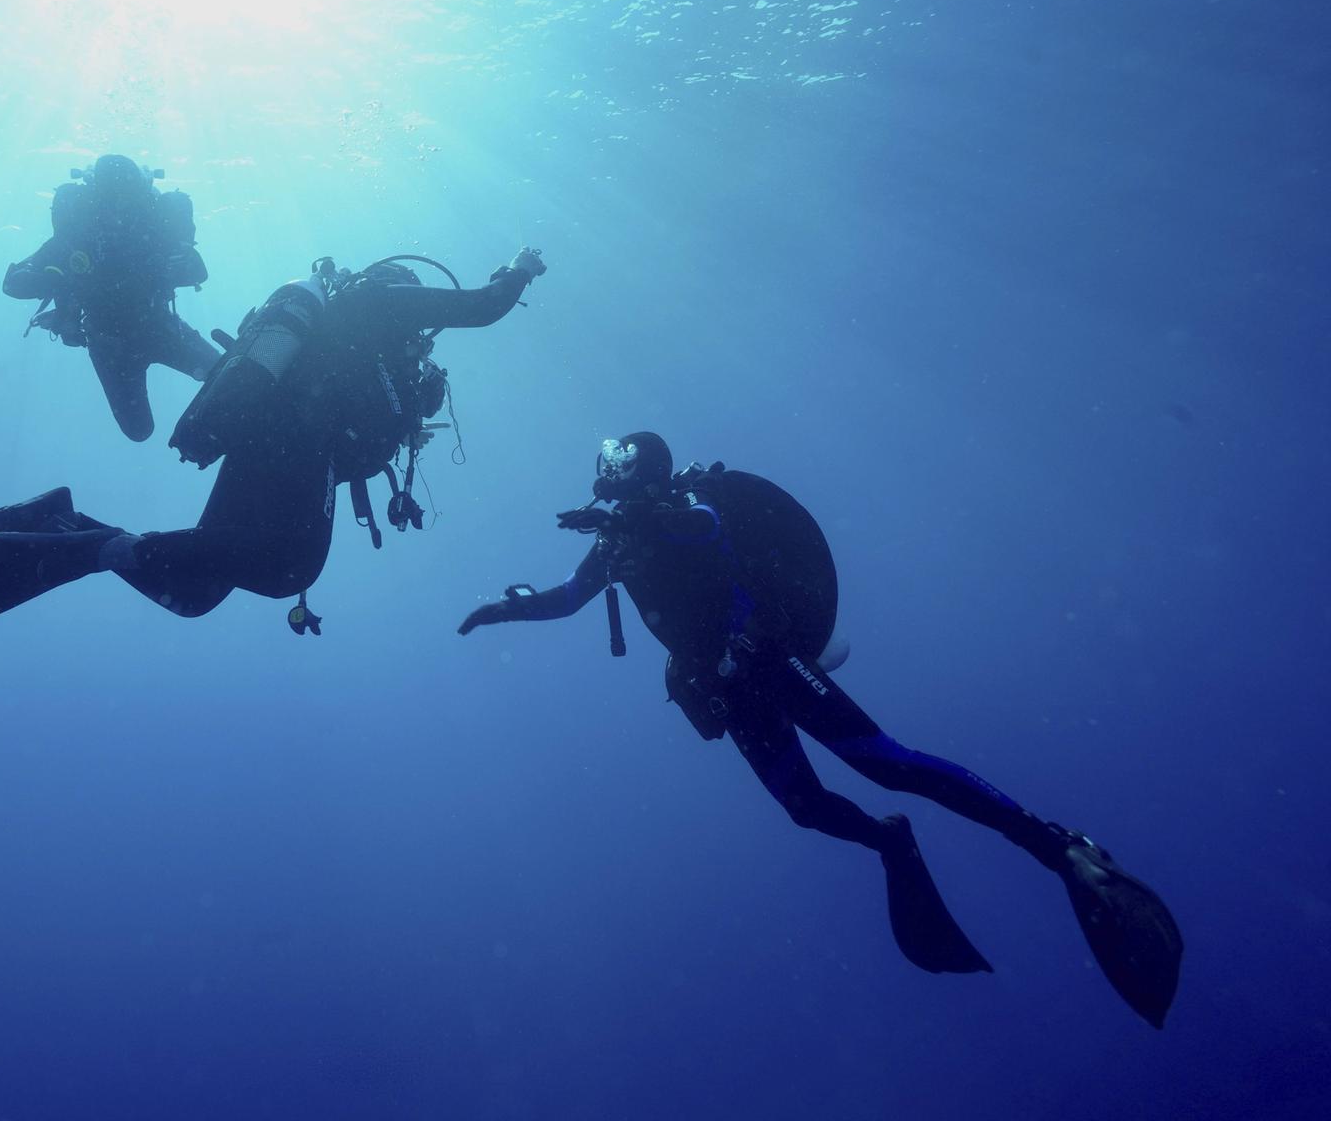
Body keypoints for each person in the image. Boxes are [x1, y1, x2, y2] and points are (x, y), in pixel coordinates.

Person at [457, 432, 1184, 1027]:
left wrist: (640, 517)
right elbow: (566, 598)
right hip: (724, 689)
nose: (619, 499)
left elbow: (701, 528)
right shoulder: (614, 543)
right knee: (805, 808)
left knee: (885, 762)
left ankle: (1058, 847)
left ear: (650, 481)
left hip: (768, 658)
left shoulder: (689, 505)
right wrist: (506, 608)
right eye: (616, 490)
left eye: (630, 488)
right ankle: (888, 841)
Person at [0, 247, 549, 635]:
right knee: (285, 572)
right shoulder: (382, 307)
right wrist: (520, 268)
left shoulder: (338, 329)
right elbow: (482, 306)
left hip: (263, 444)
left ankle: (77, 529)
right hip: (294, 445)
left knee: (197, 593)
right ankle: (90, 543)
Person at [3, 153, 218, 442]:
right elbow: (14, 284)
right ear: (95, 199)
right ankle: (209, 429)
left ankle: (207, 432)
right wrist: (53, 279)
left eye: (126, 197)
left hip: (154, 330)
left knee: (234, 379)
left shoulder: (153, 231)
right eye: (111, 198)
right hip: (113, 344)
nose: (119, 210)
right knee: (139, 430)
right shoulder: (74, 236)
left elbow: (197, 271)